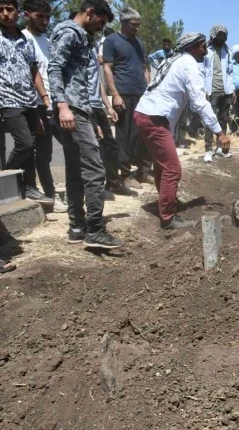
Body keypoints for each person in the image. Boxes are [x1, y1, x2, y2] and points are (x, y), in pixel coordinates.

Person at [135, 32, 231, 229]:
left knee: (163, 166)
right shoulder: (189, 65)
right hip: (154, 118)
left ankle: (166, 204)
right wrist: (219, 132)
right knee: (172, 168)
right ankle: (168, 217)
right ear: (192, 48)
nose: (206, 50)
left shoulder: (173, 60)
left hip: (146, 114)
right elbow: (199, 103)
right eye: (203, 46)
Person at [49, 0, 123, 249]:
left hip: (80, 110)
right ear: (90, 13)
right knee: (94, 170)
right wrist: (62, 106)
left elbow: (79, 82)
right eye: (100, 22)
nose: (101, 28)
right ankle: (95, 229)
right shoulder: (70, 32)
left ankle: (77, 226)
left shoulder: (80, 35)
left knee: (75, 171)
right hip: (71, 110)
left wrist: (90, 118)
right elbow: (55, 69)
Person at [0, 0, 54, 207]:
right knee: (25, 144)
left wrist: (44, 98)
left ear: (17, 12)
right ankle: (6, 178)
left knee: (33, 150)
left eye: (9, 9)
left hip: (30, 101)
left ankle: (29, 187)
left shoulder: (25, 40)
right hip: (8, 101)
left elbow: (34, 72)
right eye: (1, 10)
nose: (5, 14)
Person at [22, 0, 67, 211]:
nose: (45, 21)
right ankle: (47, 195)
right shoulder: (23, 40)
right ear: (27, 14)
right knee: (40, 152)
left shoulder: (48, 42)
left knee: (66, 147)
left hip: (55, 103)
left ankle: (57, 191)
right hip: (36, 104)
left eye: (47, 17)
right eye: (40, 16)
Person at [102, 7, 153, 188]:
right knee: (125, 136)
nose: (137, 28)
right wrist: (115, 95)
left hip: (142, 94)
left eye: (138, 25)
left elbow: (144, 67)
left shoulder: (139, 42)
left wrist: (148, 89)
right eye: (133, 25)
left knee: (143, 133)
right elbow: (107, 68)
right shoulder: (111, 41)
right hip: (123, 94)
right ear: (123, 23)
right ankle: (125, 174)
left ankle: (143, 171)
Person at [88, 29, 132, 198]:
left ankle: (113, 183)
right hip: (82, 108)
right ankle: (97, 190)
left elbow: (97, 82)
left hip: (97, 105)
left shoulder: (91, 50)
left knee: (111, 145)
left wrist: (108, 106)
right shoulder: (74, 50)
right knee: (93, 149)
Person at [201, 24, 234, 163]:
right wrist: (203, 90)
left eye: (224, 36)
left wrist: (232, 90)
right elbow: (202, 71)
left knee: (223, 119)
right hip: (211, 91)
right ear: (213, 36)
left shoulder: (228, 51)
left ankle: (220, 148)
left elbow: (230, 72)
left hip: (225, 91)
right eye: (219, 36)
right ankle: (208, 150)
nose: (222, 38)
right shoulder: (206, 51)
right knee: (210, 120)